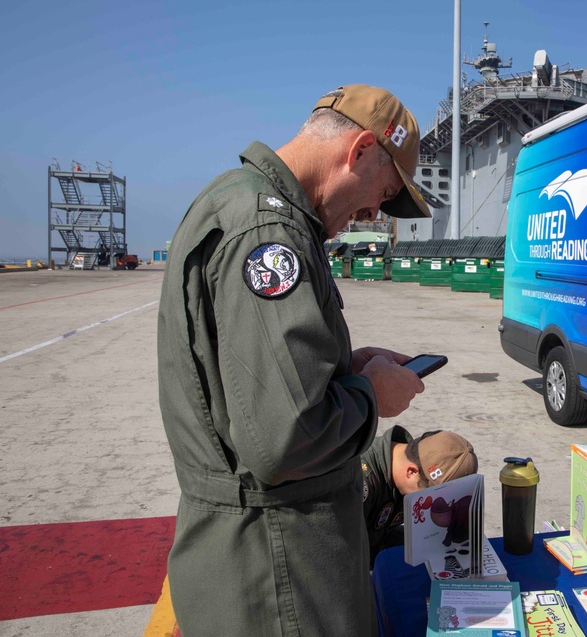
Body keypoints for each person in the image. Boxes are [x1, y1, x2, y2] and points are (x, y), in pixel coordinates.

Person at [157, 85, 433, 636]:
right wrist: (372, 395)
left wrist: (347, 366)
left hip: (271, 563)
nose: (375, 213)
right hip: (280, 576)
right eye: (381, 192)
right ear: (356, 151)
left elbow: (253, 381)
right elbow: (286, 439)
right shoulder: (268, 234)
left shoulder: (247, 205)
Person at [361, 426, 478, 566]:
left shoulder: (404, 473)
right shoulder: (358, 482)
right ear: (411, 472)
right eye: (434, 499)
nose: (434, 506)